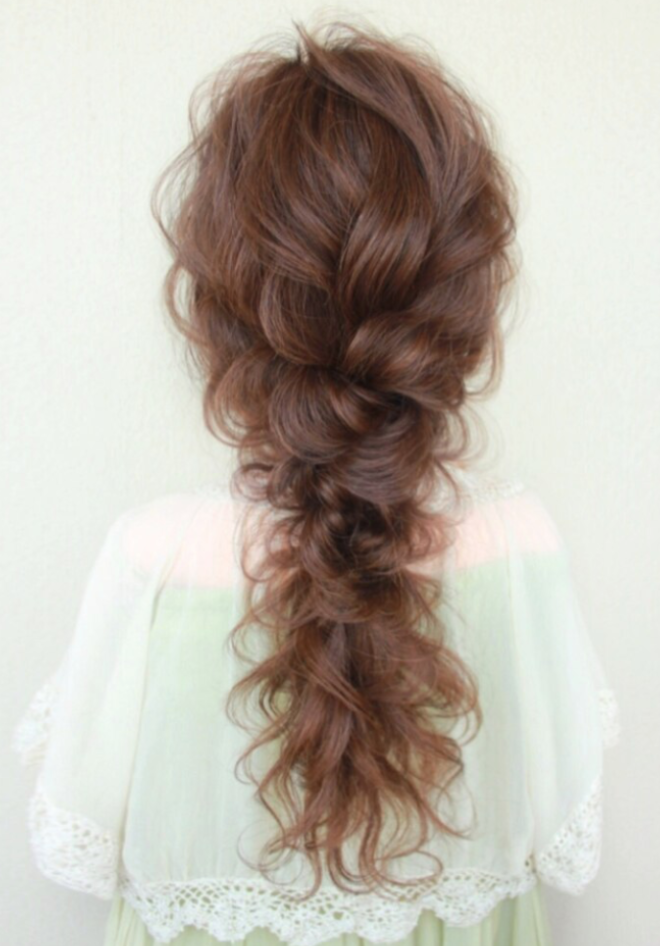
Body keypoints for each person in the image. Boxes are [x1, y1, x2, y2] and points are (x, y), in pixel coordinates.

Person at [12, 19, 621, 946]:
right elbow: (567, 836)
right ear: (463, 295)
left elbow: (78, 844)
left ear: (219, 303)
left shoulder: (155, 561)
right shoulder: (519, 548)